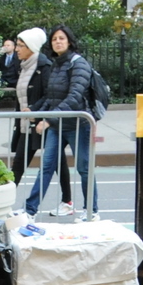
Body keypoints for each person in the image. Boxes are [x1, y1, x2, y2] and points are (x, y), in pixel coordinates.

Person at [24, 24, 100, 219]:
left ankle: (91, 211)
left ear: (69, 41)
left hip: (78, 125)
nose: (57, 42)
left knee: (84, 168)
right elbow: (52, 97)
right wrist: (35, 111)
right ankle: (29, 211)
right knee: (46, 167)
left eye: (61, 38)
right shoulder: (56, 64)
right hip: (59, 126)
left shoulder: (79, 63)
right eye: (54, 39)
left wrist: (48, 119)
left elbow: (74, 96)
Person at [10, 28, 68, 204]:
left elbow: (50, 94)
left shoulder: (44, 67)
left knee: (58, 161)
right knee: (20, 163)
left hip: (42, 122)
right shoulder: (22, 66)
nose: (16, 49)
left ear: (31, 47)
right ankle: (5, 203)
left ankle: (67, 201)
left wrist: (35, 110)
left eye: (21, 46)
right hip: (26, 123)